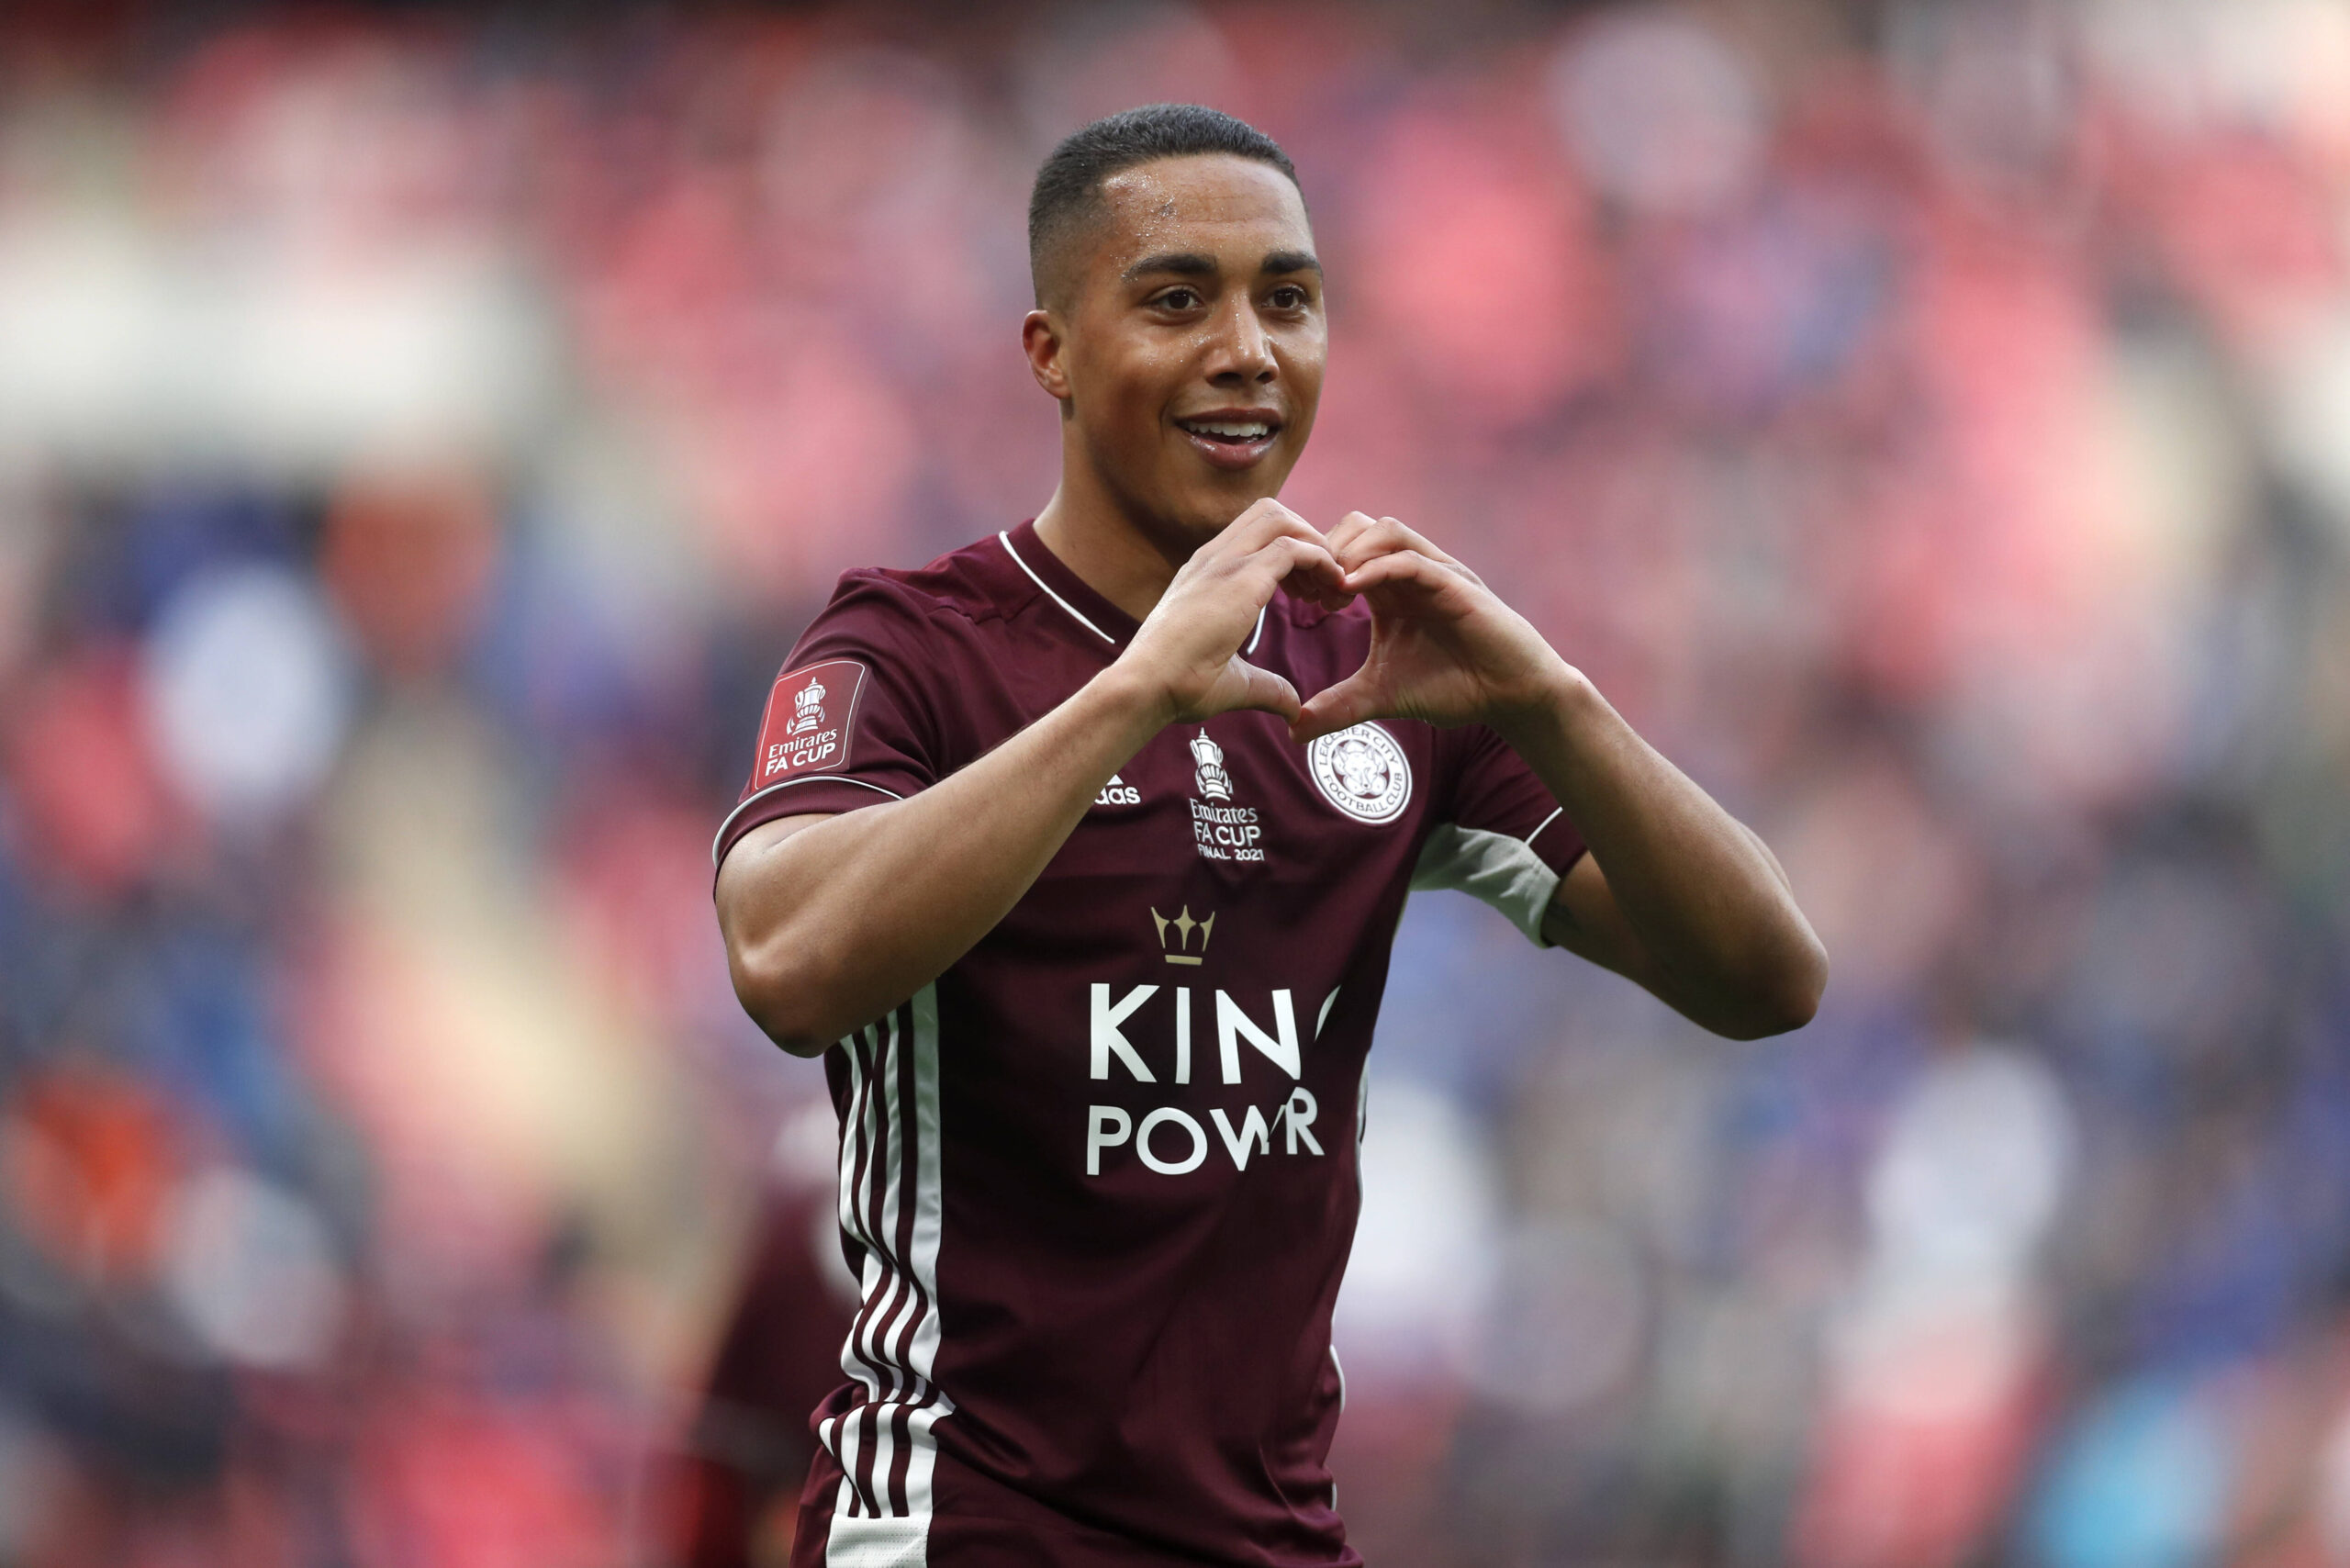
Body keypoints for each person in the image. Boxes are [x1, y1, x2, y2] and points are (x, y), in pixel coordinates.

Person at [713, 104, 1826, 1568]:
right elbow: (785, 961)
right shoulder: (913, 646)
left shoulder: (1377, 670)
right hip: (961, 1530)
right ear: (1051, 351)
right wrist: (1134, 695)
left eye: (1287, 300)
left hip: (1275, 1541)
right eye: (1177, 300)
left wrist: (1551, 700)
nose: (1247, 349)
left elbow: (1768, 979)